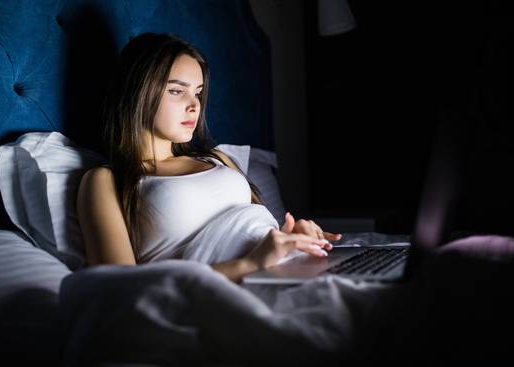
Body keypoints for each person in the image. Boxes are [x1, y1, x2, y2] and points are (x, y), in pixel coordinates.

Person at [76, 32, 342, 284]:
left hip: (287, 269)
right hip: (228, 289)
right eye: (177, 91)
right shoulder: (105, 180)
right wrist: (250, 264)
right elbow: (116, 288)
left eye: (198, 92)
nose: (194, 105)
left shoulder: (217, 158)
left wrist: (291, 237)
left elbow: (256, 232)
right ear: (138, 93)